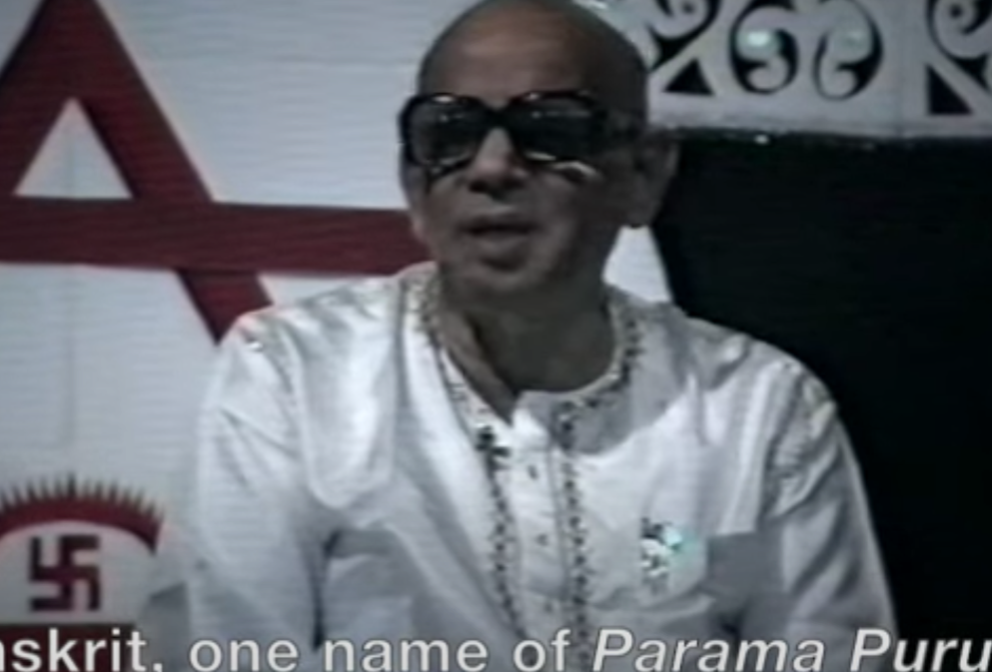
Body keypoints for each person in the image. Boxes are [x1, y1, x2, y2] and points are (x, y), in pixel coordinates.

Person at [136, 0, 895, 670]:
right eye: (450, 132)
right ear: (412, 183)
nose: (493, 167)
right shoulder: (293, 376)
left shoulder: (759, 410)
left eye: (548, 129)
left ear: (644, 175)